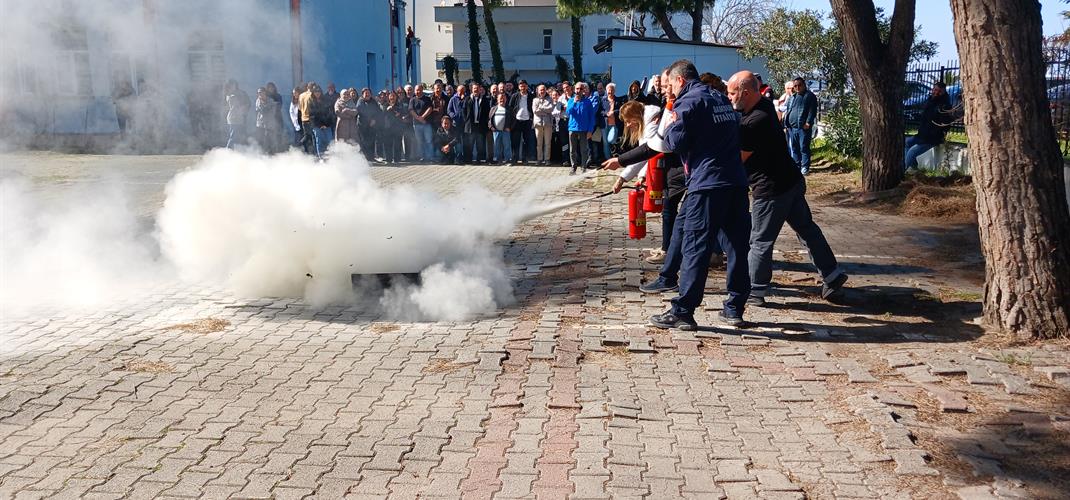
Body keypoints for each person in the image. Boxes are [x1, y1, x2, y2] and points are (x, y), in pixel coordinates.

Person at [604, 60, 752, 329]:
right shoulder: (718, 97)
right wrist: (624, 161)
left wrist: (670, 117)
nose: (667, 89)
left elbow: (669, 144)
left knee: (695, 247)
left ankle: (683, 310)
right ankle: (735, 308)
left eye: (670, 83)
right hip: (736, 183)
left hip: (707, 184)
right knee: (737, 248)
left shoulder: (688, 103)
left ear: (680, 80)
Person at [727, 70, 848, 306]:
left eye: (732, 93)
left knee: (760, 241)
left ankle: (755, 290)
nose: (729, 97)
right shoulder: (763, 105)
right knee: (807, 230)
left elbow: (736, 159)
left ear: (746, 92)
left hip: (771, 189)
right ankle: (831, 275)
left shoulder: (755, 120)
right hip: (790, 182)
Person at [904, 82, 953, 172]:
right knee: (906, 143)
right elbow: (926, 117)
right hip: (922, 135)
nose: (936, 93)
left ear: (944, 92)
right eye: (935, 90)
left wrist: (936, 134)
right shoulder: (930, 100)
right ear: (932, 90)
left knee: (912, 152)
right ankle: (914, 170)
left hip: (932, 138)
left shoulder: (945, 105)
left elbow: (945, 124)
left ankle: (903, 171)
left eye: (939, 91)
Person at [784, 77, 817, 174]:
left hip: (803, 128)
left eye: (799, 85)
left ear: (804, 85)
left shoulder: (809, 96)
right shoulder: (792, 97)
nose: (797, 87)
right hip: (792, 128)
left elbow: (812, 111)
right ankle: (796, 166)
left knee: (803, 147)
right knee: (794, 148)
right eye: (795, 86)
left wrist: (808, 122)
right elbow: (788, 110)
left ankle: (805, 167)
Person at [566, 82, 596, 175]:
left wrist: (590, 130)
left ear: (583, 90)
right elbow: (568, 112)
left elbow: (592, 117)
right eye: (577, 89)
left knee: (584, 150)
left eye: (580, 89)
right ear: (574, 90)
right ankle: (573, 167)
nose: (578, 91)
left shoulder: (587, 102)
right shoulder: (571, 100)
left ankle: (583, 167)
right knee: (572, 150)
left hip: (584, 129)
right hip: (573, 128)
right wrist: (574, 102)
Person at [510, 80, 536, 164]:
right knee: (515, 141)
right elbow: (510, 107)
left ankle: (525, 159)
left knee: (526, 141)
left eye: (524, 86)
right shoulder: (514, 96)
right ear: (518, 87)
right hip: (517, 121)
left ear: (527, 86)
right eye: (521, 86)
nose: (523, 88)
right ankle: (515, 158)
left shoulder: (531, 96)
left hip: (527, 121)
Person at [466, 82, 491, 164]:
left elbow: (488, 112)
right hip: (471, 126)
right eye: (474, 89)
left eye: (477, 88)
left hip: (480, 126)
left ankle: (479, 159)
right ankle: (469, 159)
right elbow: (463, 111)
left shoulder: (484, 100)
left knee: (480, 144)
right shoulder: (467, 99)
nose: (476, 90)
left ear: (480, 89)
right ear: (471, 89)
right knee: (470, 144)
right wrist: (467, 121)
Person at [410, 83, 433, 162]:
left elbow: (430, 108)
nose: (418, 91)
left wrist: (423, 117)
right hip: (416, 124)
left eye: (419, 90)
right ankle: (422, 157)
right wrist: (418, 118)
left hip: (426, 123)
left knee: (428, 141)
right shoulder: (412, 100)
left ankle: (429, 157)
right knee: (420, 142)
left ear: (422, 90)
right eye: (416, 90)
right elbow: (411, 110)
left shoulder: (427, 99)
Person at [489, 93, 514, 165]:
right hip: (496, 131)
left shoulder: (509, 108)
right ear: (497, 99)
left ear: (506, 99)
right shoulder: (493, 108)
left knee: (507, 146)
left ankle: (508, 160)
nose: (502, 99)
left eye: (503, 98)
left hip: (505, 131)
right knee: (496, 146)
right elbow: (489, 119)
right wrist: (491, 127)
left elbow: (514, 120)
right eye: (500, 98)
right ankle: (497, 160)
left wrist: (510, 128)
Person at [533, 84, 555, 166]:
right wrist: (545, 110)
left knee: (547, 143)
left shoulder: (550, 99)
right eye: (540, 90)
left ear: (545, 91)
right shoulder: (535, 100)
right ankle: (539, 159)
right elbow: (535, 111)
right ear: (538, 91)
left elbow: (551, 109)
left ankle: (547, 159)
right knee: (539, 143)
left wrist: (541, 108)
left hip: (547, 124)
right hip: (538, 124)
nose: (542, 91)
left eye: (543, 90)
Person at [224, 79, 251, 149]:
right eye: (231, 85)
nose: (232, 86)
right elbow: (229, 106)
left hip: (241, 117)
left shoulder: (242, 93)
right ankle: (228, 151)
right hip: (233, 118)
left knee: (241, 135)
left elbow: (248, 103)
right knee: (233, 136)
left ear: (236, 85)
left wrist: (244, 109)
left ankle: (239, 151)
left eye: (233, 84)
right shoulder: (229, 94)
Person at [356, 87, 380, 162]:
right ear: (362, 94)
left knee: (372, 141)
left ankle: (371, 157)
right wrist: (370, 120)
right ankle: (365, 159)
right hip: (362, 126)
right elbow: (361, 111)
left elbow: (378, 111)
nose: (367, 94)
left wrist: (374, 119)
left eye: (368, 93)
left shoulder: (373, 101)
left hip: (372, 126)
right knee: (364, 142)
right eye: (365, 93)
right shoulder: (360, 101)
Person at [309, 86, 333, 158]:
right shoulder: (311, 102)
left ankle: (331, 157)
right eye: (316, 92)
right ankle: (321, 157)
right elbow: (312, 116)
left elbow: (330, 113)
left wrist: (327, 124)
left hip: (327, 125)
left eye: (319, 91)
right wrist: (320, 125)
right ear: (313, 93)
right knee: (319, 141)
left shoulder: (326, 100)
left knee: (330, 141)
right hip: (317, 126)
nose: (317, 93)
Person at [447, 84, 469, 163]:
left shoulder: (467, 98)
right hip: (456, 123)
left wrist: (463, 100)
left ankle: (466, 158)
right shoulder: (453, 99)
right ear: (457, 90)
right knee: (457, 141)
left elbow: (466, 109)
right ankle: (458, 157)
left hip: (465, 123)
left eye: (463, 91)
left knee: (466, 141)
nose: (461, 93)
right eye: (460, 91)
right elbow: (449, 110)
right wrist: (454, 116)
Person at [382, 91, 406, 164]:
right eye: (391, 96)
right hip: (387, 127)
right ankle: (388, 159)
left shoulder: (399, 104)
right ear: (388, 97)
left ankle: (397, 159)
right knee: (387, 144)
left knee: (397, 144)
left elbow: (401, 112)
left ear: (396, 97)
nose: (392, 97)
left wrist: (395, 109)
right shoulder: (385, 104)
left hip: (398, 127)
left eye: (394, 96)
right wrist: (387, 109)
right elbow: (382, 113)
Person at [254, 86, 280, 152]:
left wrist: (268, 108)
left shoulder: (270, 100)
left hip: (270, 123)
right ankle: (263, 153)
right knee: (262, 139)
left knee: (271, 139)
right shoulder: (258, 101)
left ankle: (273, 153)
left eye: (261, 92)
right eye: (258, 93)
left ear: (264, 92)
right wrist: (267, 107)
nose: (260, 94)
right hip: (261, 124)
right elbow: (260, 110)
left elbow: (273, 112)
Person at [600, 83, 621, 160]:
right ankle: (608, 159)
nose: (610, 91)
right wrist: (606, 113)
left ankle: (613, 151)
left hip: (614, 124)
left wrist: (614, 112)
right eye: (609, 89)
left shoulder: (618, 100)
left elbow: (621, 110)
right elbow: (600, 111)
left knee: (611, 140)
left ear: (614, 91)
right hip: (604, 124)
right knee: (605, 143)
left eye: (612, 89)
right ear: (606, 90)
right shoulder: (602, 100)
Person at [299, 82, 316, 154]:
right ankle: (301, 145)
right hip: (310, 118)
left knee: (307, 135)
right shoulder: (312, 95)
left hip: (303, 118)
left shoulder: (301, 95)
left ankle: (306, 151)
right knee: (312, 136)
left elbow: (299, 108)